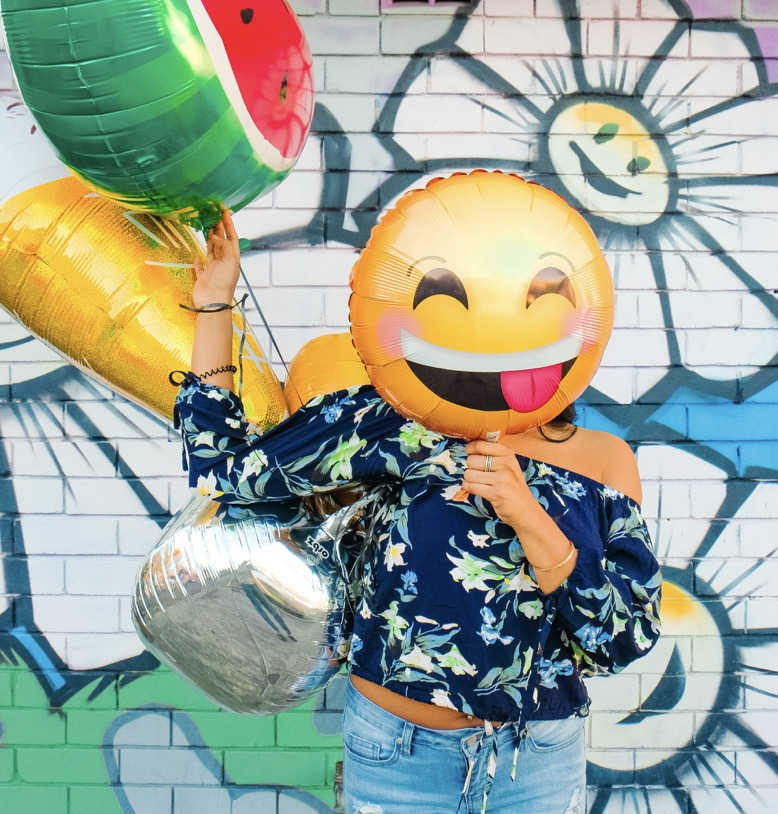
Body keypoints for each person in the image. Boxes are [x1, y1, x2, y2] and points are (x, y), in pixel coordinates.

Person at [175, 211, 662, 814]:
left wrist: (530, 517)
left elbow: (620, 641)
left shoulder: (604, 462)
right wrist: (214, 304)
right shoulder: (399, 422)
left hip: (535, 766)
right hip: (397, 759)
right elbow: (226, 471)